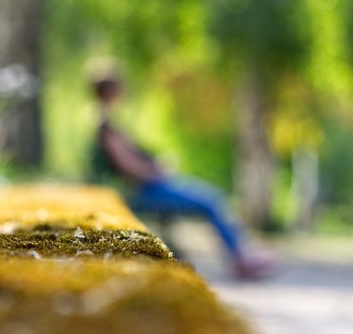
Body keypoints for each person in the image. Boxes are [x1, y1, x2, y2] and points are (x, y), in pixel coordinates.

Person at [89, 68, 273, 278]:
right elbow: (128, 166)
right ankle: (240, 257)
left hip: (146, 187)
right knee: (209, 201)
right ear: (111, 91)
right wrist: (157, 172)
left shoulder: (108, 123)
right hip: (141, 191)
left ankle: (241, 252)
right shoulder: (107, 127)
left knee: (210, 198)